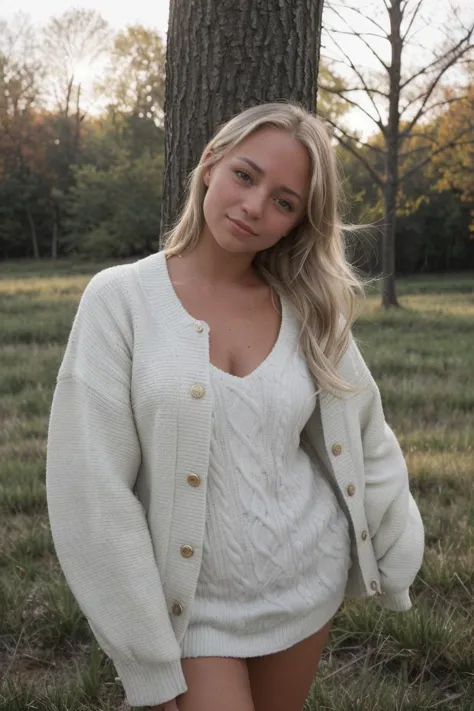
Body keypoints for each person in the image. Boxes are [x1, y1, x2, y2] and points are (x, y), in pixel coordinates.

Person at [46, 102, 425, 711]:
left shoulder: (308, 306)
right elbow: (91, 491)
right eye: (245, 176)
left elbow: (366, 432)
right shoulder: (120, 300)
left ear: (296, 224)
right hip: (191, 609)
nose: (254, 206)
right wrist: (146, 657)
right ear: (209, 165)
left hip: (305, 582)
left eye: (284, 201)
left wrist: (399, 554)